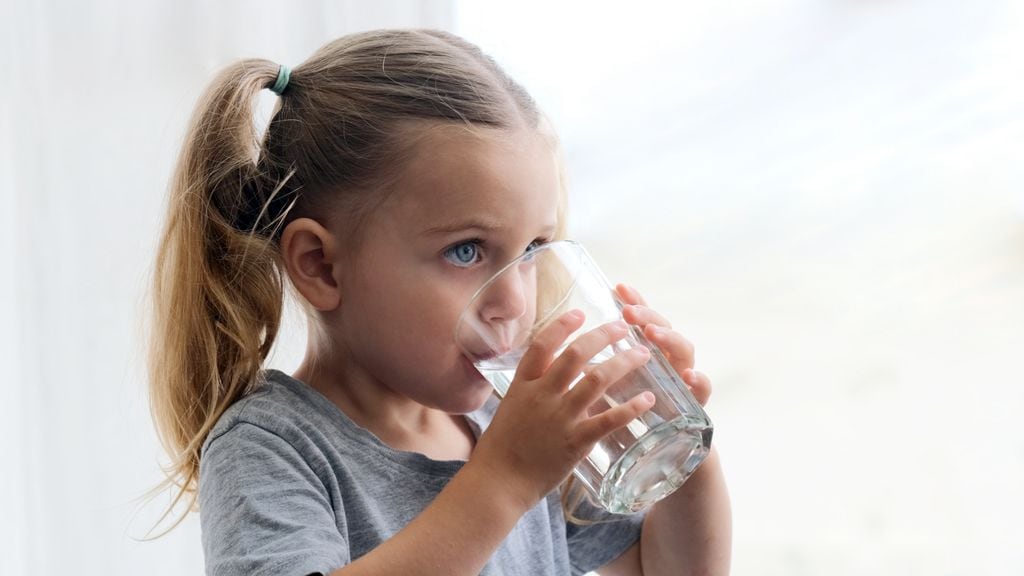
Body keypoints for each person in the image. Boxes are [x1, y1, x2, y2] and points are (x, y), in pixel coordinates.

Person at [148, 28, 731, 576]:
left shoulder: (513, 421)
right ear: (321, 265)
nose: (513, 300)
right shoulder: (270, 448)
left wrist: (683, 456)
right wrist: (504, 480)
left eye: (532, 248)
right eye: (466, 251)